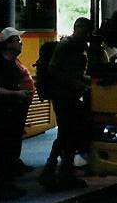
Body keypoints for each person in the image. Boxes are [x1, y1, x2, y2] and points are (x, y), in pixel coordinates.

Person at [39, 17, 92, 191]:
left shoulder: (79, 46)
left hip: (69, 94)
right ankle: (61, 172)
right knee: (68, 134)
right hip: (63, 95)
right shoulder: (67, 45)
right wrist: (75, 83)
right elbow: (54, 70)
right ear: (77, 28)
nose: (87, 35)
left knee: (67, 134)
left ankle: (53, 171)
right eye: (85, 31)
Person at [0, 27, 33, 200]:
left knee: (10, 152)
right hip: (1, 115)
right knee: (1, 152)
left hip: (13, 114)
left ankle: (8, 185)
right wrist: (17, 94)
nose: (21, 43)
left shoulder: (13, 63)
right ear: (8, 43)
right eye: (18, 40)